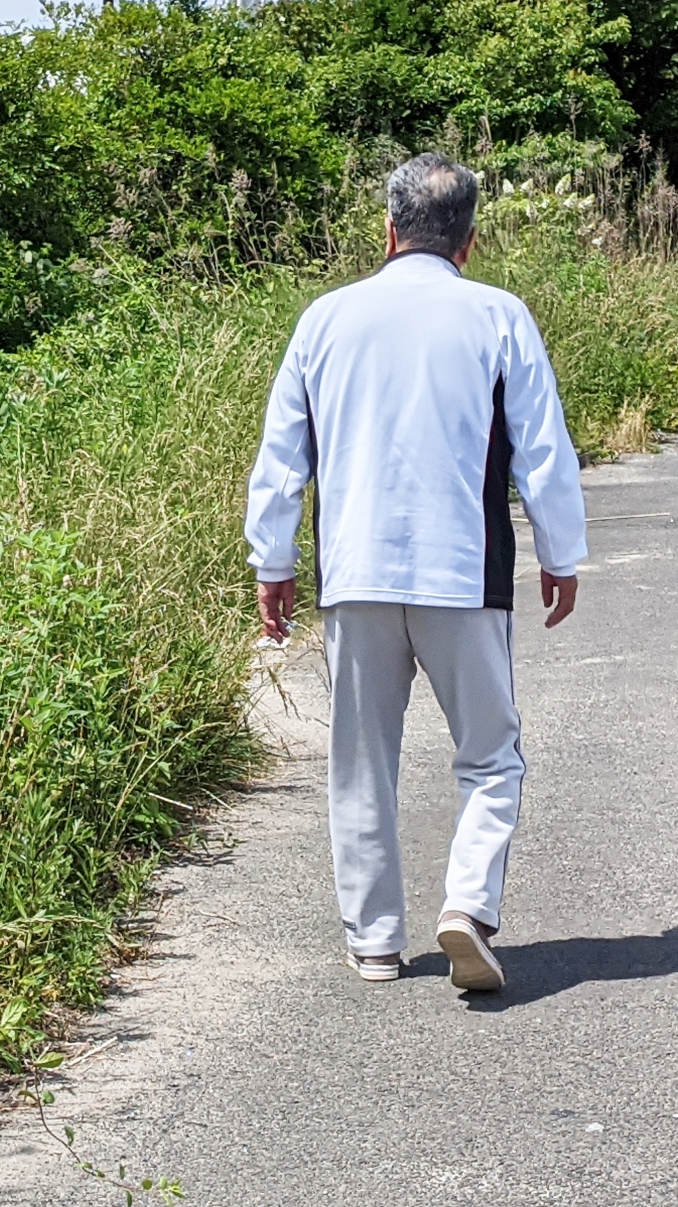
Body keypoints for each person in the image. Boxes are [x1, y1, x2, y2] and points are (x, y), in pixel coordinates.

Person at [243, 153, 587, 992]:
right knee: (491, 756)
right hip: (462, 574)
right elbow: (542, 449)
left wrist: (273, 558)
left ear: (388, 230)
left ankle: (374, 944)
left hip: (353, 574)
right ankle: (466, 906)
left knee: (361, 761)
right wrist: (561, 551)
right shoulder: (498, 316)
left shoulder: (325, 319)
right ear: (469, 241)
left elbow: (283, 454)